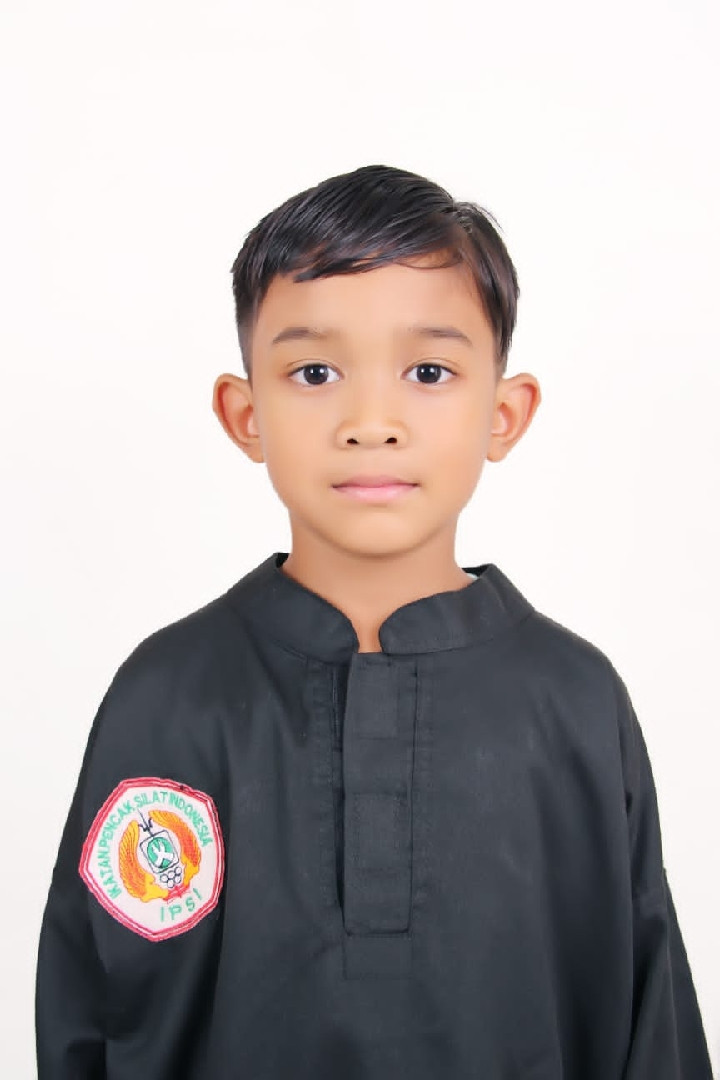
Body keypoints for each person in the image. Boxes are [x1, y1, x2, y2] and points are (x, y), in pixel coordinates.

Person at [35, 164, 713, 1079]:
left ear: (504, 413)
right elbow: (85, 1011)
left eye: (428, 371)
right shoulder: (169, 695)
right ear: (245, 414)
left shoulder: (576, 701)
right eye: (314, 372)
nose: (371, 421)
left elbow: (650, 1021)